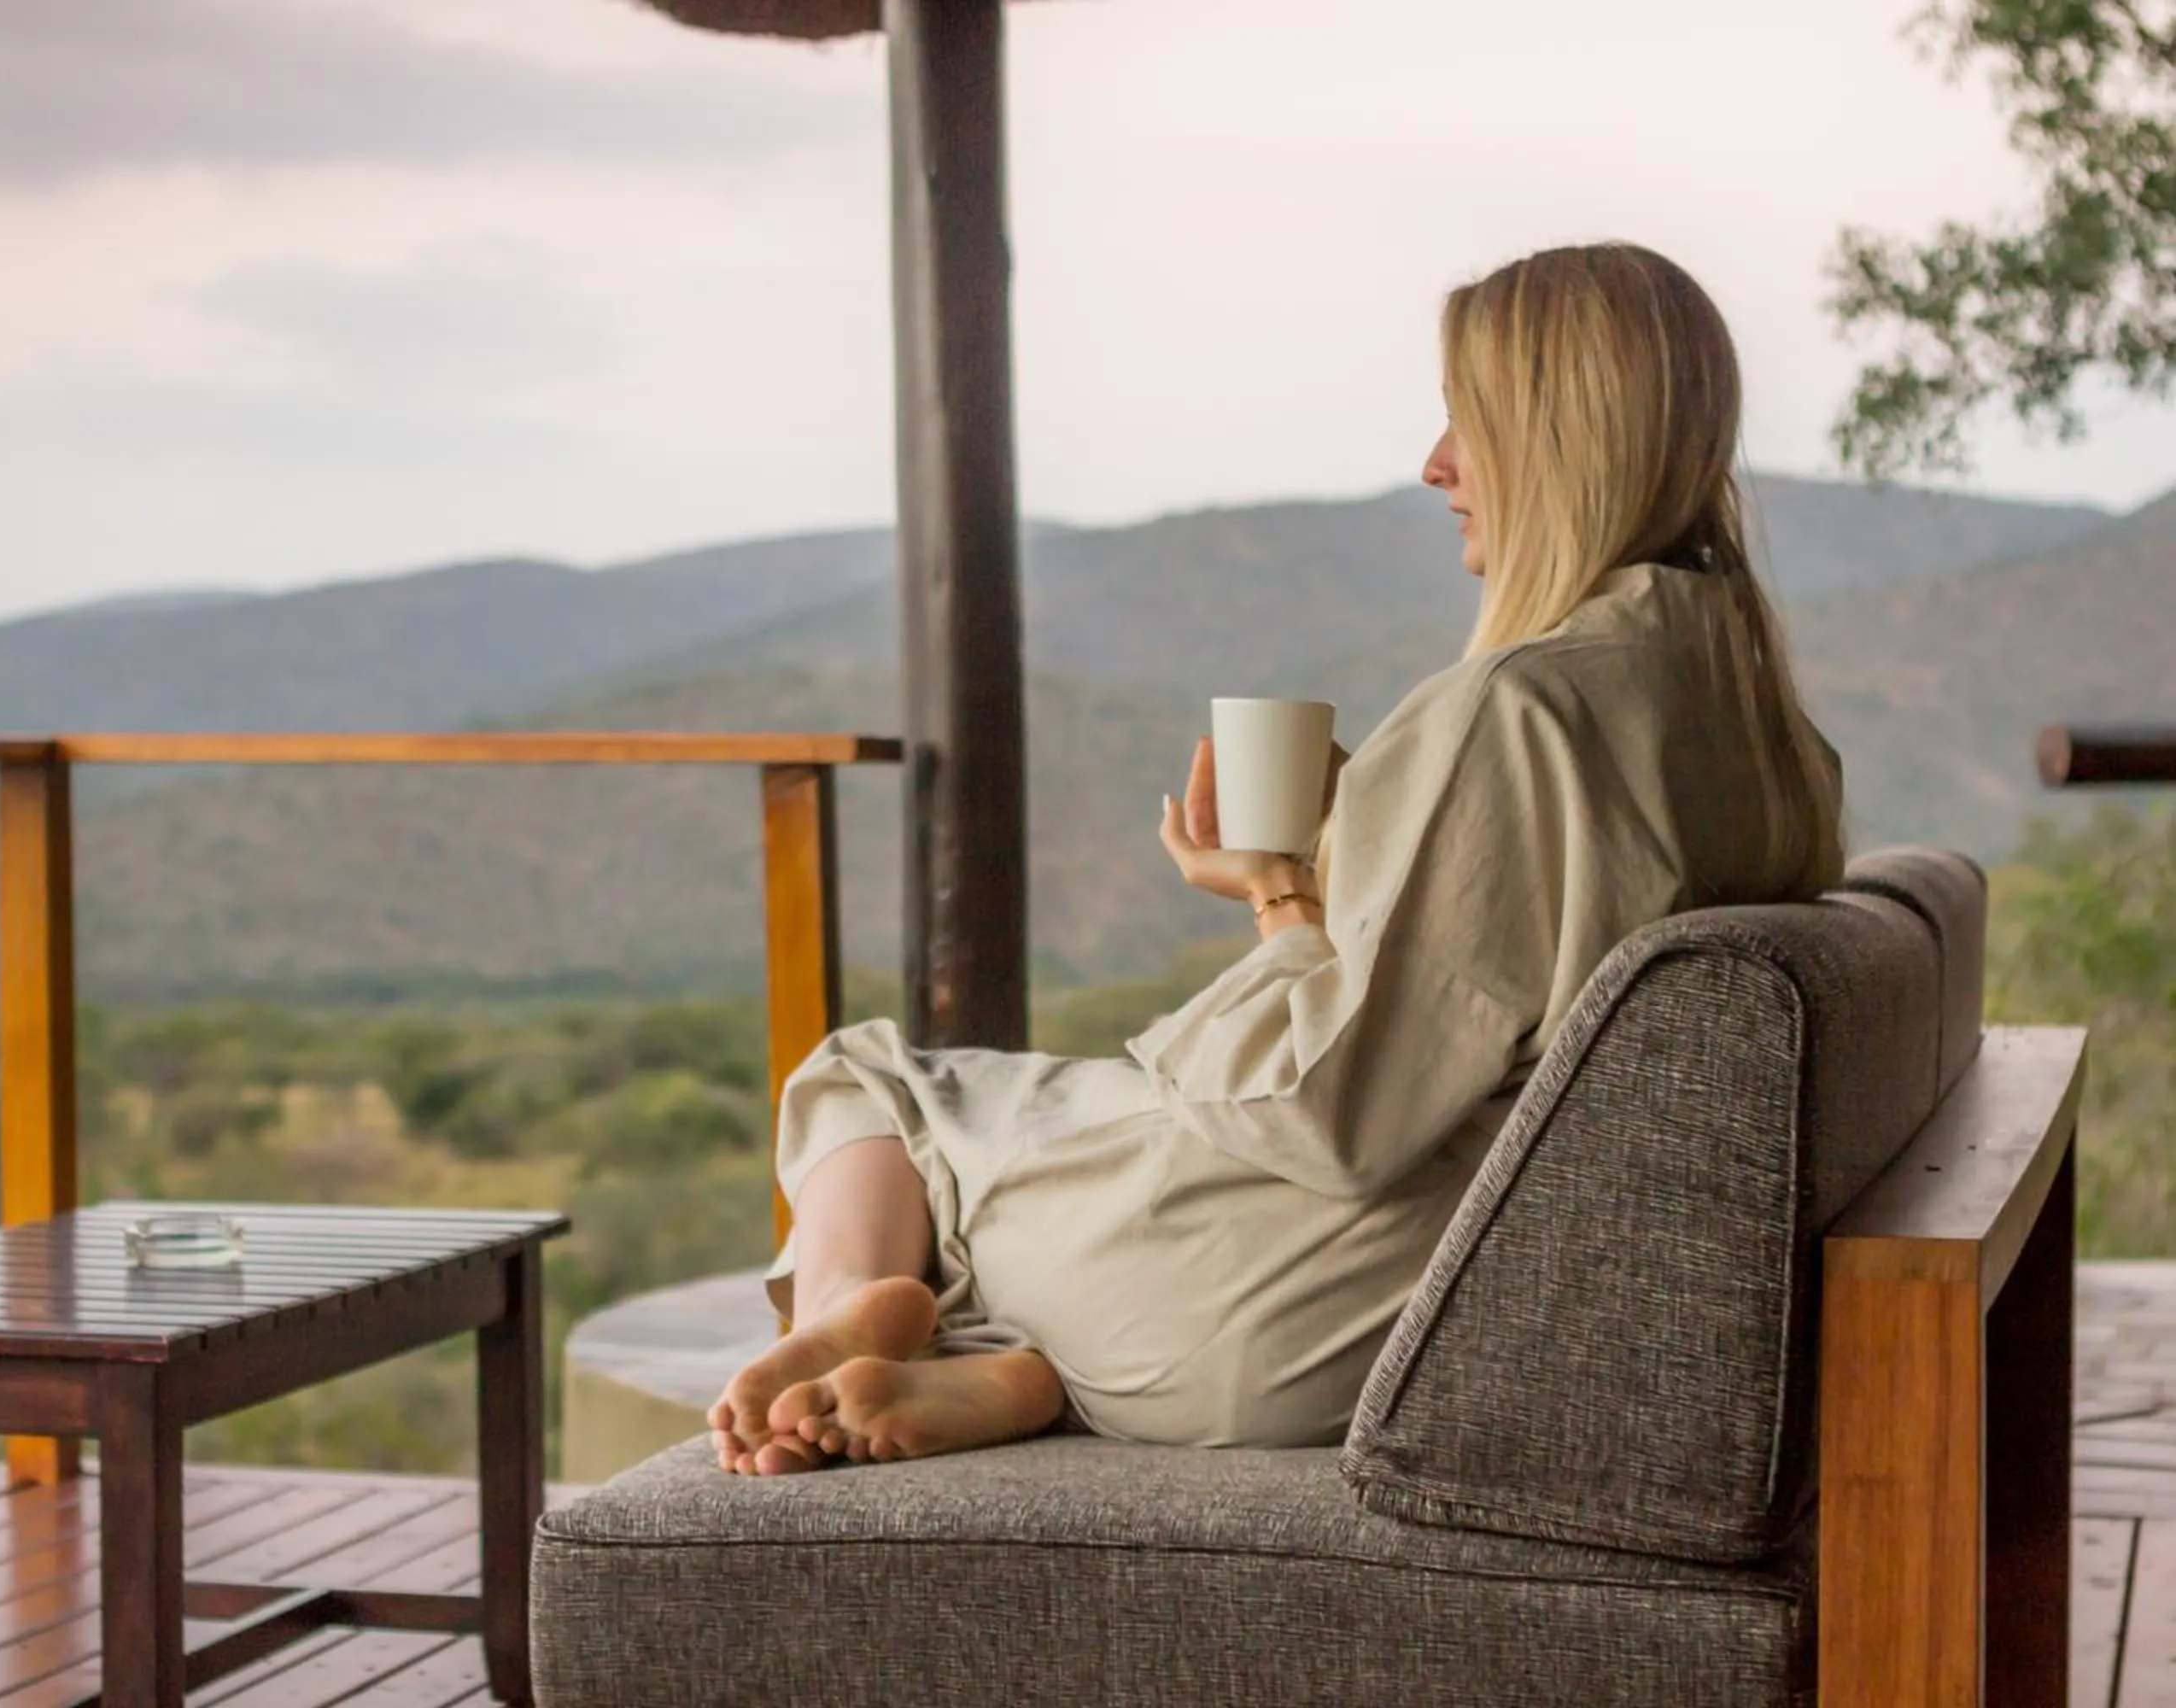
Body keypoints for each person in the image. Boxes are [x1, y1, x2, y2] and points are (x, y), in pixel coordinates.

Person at [709, 241, 1846, 1477]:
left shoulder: (1517, 714)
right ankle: (999, 1370)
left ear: (1564, 438)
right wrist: (1326, 875)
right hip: (1432, 1264)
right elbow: (1462, 1035)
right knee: (973, 1103)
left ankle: (884, 1316)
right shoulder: (1756, 724)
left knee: (870, 1079)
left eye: (1468, 422)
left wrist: (1279, 897)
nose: (1436, 465)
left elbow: (1328, 1110)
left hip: (1278, 1300)